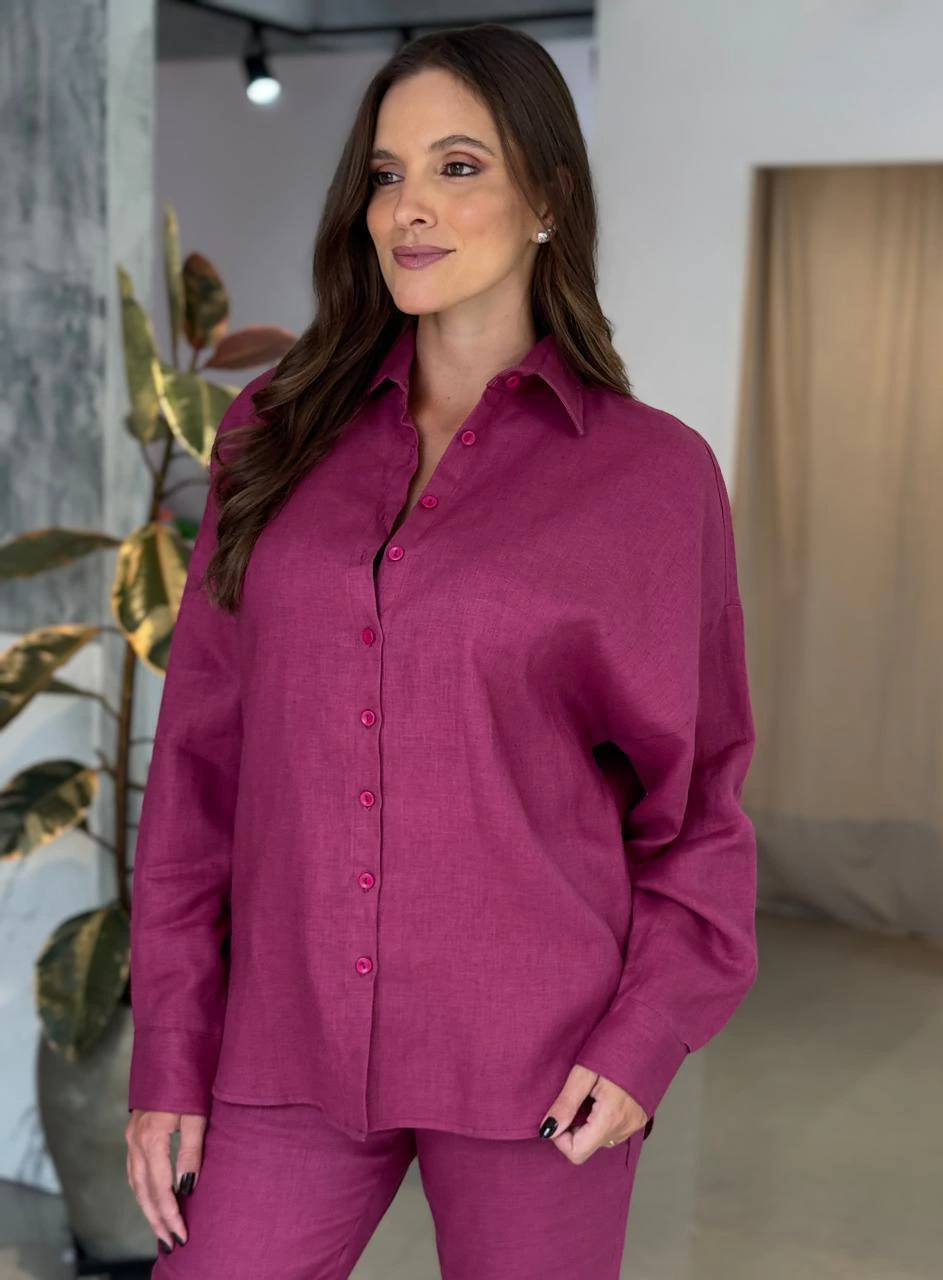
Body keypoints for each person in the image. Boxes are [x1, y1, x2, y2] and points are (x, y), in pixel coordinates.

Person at [124, 22, 758, 1280]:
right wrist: (171, 1050)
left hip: (543, 1055)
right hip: (286, 1038)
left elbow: (701, 804)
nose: (407, 208)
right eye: (386, 173)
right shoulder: (270, 433)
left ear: (547, 198)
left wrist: (644, 1039)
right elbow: (199, 765)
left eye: (457, 166)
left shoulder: (651, 476)